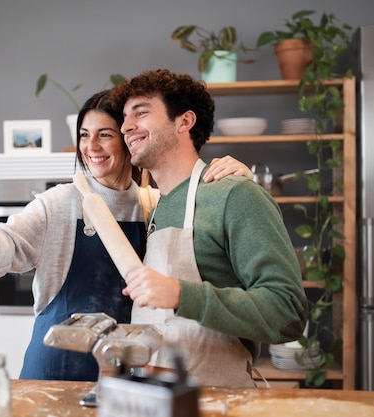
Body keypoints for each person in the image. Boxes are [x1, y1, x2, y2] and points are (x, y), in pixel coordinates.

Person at [0, 90, 253, 382]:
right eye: (84, 134)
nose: (91, 146)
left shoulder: (152, 204)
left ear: (128, 139)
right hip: (57, 372)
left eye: (105, 134)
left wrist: (234, 175)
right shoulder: (63, 201)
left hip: (126, 373)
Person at [109, 69, 308, 387]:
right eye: (123, 118)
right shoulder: (155, 204)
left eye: (141, 112)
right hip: (157, 398)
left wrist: (180, 294)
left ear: (184, 122)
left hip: (217, 401)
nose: (125, 127)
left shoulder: (234, 193)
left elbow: (288, 312)